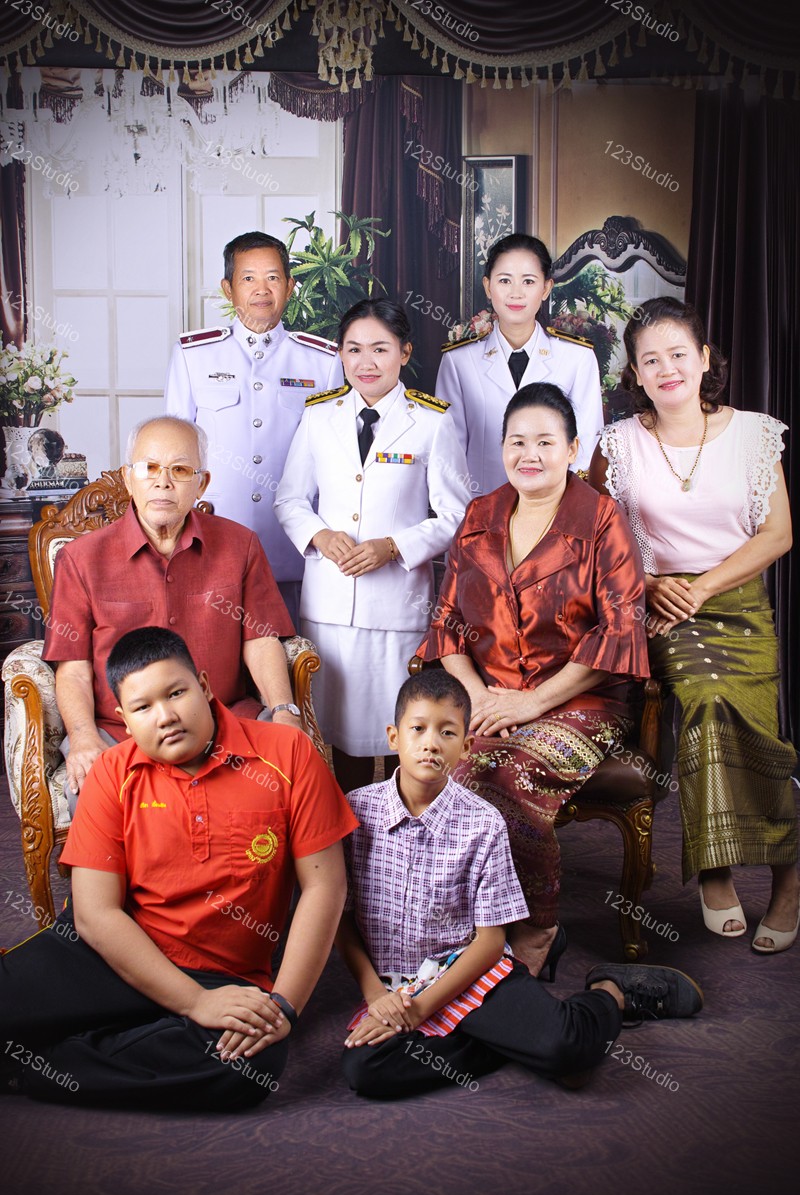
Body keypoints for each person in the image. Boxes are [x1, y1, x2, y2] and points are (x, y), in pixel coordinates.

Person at [0, 627, 358, 1109]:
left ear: (204, 686)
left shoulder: (287, 753)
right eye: (143, 707)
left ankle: (31, 1069)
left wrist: (283, 1008)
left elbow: (325, 887)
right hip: (115, 952)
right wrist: (192, 1004)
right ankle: (128, 1035)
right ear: (125, 721)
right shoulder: (111, 773)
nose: (165, 716)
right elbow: (95, 916)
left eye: (176, 693)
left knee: (249, 1066)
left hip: (222, 972)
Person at [337, 670, 703, 1099]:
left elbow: (490, 943)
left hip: (466, 970)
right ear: (393, 737)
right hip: (395, 986)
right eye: (418, 729)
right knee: (365, 1069)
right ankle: (528, 1049)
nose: (431, 743)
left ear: (466, 747)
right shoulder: (356, 813)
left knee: (567, 1048)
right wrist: (375, 995)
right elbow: (342, 920)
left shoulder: (482, 822)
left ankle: (611, 993)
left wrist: (419, 1012)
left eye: (447, 732)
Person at [416, 382, 649, 975]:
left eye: (546, 442)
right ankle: (467, 927)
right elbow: (445, 622)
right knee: (445, 775)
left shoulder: (601, 519)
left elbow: (621, 629)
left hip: (583, 702)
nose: (530, 454)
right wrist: (476, 697)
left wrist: (534, 702)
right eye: (517, 441)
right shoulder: (480, 514)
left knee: (504, 775)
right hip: (490, 698)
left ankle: (537, 926)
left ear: (572, 449)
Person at [589, 298, 798, 954]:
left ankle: (788, 876)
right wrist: (650, 585)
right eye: (650, 360)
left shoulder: (754, 434)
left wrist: (705, 587)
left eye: (679, 354)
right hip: (663, 609)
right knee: (706, 702)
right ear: (636, 373)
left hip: (738, 605)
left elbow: (778, 533)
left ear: (705, 359)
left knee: (759, 732)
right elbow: (597, 539)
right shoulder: (618, 444)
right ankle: (715, 869)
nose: (667, 368)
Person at [44, 416, 298, 815]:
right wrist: (83, 737)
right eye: (149, 468)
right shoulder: (80, 559)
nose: (163, 482)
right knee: (93, 797)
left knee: (293, 775)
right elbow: (73, 668)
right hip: (122, 731)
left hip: (225, 721)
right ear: (128, 478)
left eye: (180, 470)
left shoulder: (240, 545)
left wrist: (284, 710)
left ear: (201, 484)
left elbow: (261, 640)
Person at [274, 298, 471, 795]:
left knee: (399, 732)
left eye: (380, 349)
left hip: (395, 608)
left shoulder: (431, 421)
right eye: (354, 349)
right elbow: (289, 499)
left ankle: (397, 830)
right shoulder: (319, 416)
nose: (366, 362)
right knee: (334, 738)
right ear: (340, 354)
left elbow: (456, 515)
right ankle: (347, 833)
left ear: (404, 353)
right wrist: (320, 535)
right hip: (329, 606)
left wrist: (394, 546)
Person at [164, 230, 344, 624]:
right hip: (213, 537)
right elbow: (173, 454)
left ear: (290, 287)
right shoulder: (194, 355)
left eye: (273, 278)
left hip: (293, 546)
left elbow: (335, 458)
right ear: (228, 288)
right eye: (248, 278)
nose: (262, 289)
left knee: (296, 650)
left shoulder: (322, 360)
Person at [435, 233, 604, 495]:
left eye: (528, 281)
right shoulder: (459, 362)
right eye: (504, 280)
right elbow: (448, 452)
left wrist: (567, 512)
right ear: (488, 286)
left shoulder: (577, 358)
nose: (516, 293)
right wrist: (464, 514)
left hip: (554, 507)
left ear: (546, 288)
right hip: (480, 505)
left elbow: (585, 448)